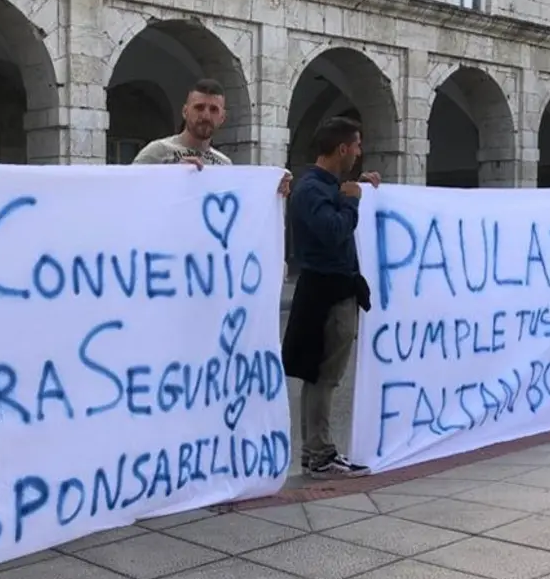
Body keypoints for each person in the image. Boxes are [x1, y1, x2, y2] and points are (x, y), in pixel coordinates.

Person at [282, 116, 379, 479]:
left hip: (332, 289)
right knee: (326, 375)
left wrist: (361, 190)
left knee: (317, 373)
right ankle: (321, 453)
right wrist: (352, 202)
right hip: (327, 293)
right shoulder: (311, 190)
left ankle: (314, 451)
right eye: (356, 146)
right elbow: (333, 230)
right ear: (342, 148)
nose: (358, 152)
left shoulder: (330, 186)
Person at [133, 78, 293, 197]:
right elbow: (128, 191)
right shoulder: (157, 151)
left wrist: (273, 190)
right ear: (185, 111)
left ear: (222, 117)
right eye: (199, 107)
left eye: (214, 110)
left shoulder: (225, 164)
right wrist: (170, 177)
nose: (206, 115)